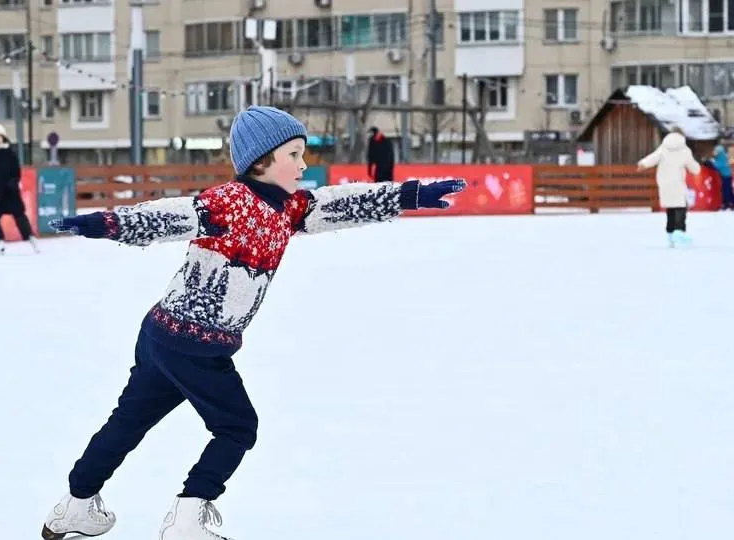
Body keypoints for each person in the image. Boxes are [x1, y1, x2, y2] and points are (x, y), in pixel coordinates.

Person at [41, 106, 466, 540]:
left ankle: (73, 507)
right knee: (237, 427)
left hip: (160, 334)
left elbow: (343, 203)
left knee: (127, 422)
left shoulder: (290, 208)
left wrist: (409, 196)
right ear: (261, 160)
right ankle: (186, 520)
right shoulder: (230, 202)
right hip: (195, 345)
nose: (303, 165)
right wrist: (105, 222)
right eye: (294, 155)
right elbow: (171, 216)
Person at [0, 124, 39, 255]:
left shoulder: (10, 154)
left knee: (19, 216)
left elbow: (16, 173)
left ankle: (31, 238)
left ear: (4, 137)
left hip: (10, 192)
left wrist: (12, 184)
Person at [637, 127, 701, 247]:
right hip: (677, 183)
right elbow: (694, 168)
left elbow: (653, 157)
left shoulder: (663, 148)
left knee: (670, 208)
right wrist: (698, 168)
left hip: (664, 182)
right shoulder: (685, 150)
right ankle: (679, 230)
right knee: (681, 207)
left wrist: (643, 164)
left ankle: (670, 234)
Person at [713, 143, 733, 210]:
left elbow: (718, 165)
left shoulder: (721, 156)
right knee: (728, 189)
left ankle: (727, 203)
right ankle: (729, 202)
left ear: (719, 151)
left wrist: (711, 164)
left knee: (726, 190)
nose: (714, 152)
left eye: (715, 151)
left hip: (726, 175)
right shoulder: (723, 155)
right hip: (727, 175)